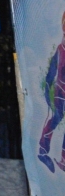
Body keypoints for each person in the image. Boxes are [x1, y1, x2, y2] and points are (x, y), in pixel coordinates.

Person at [38, 10, 65, 173]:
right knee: (55, 119)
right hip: (60, 92)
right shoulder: (61, 49)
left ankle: (63, 157)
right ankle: (42, 151)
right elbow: (50, 74)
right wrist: (47, 91)